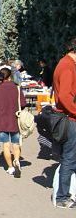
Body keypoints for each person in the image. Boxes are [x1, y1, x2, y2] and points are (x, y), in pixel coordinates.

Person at [0, 68, 26, 178]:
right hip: (15, 120)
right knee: (16, 144)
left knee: (5, 145)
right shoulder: (17, 89)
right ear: (10, 77)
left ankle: (10, 167)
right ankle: (17, 160)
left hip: (2, 122)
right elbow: (23, 104)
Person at [53, 39, 76, 209]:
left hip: (69, 117)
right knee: (69, 158)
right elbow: (65, 97)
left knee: (69, 158)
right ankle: (62, 196)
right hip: (71, 119)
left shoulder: (65, 64)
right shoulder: (68, 66)